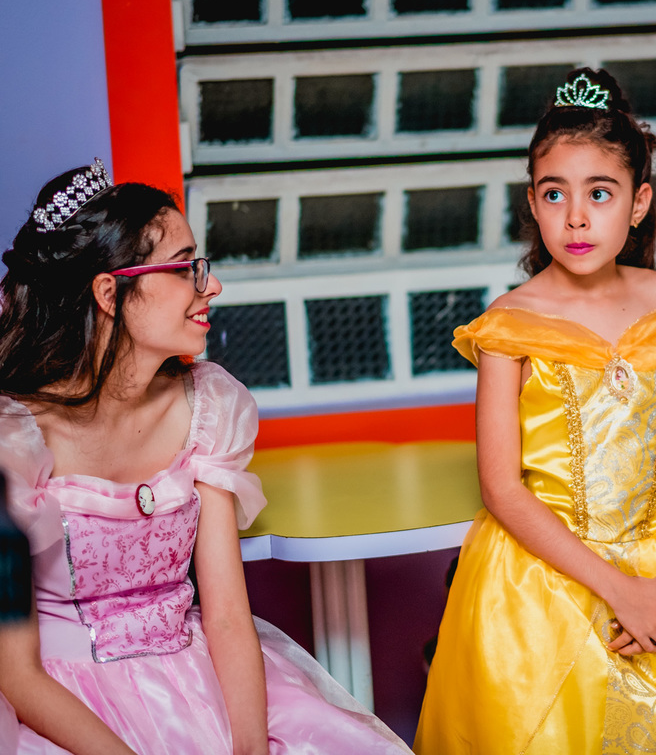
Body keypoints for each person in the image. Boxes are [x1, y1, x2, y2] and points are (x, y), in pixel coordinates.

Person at [0, 160, 412, 754]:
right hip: (67, 709)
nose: (210, 286)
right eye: (184, 267)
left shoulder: (208, 408)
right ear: (110, 293)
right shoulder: (13, 441)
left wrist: (249, 747)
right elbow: (17, 673)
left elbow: (225, 616)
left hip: (199, 683)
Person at [414, 69, 656, 754]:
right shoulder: (508, 323)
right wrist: (620, 592)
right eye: (555, 194)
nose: (576, 217)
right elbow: (501, 487)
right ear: (533, 203)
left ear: (638, 203)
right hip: (545, 580)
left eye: (599, 193)